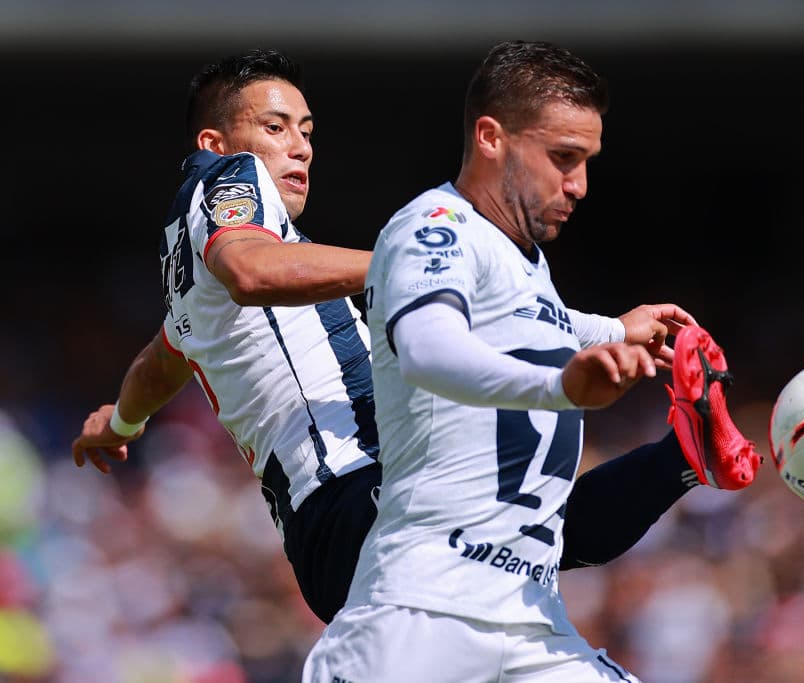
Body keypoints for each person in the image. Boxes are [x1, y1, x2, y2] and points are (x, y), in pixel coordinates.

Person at [70, 48, 759, 630]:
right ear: (215, 144)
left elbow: (161, 357)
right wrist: (413, 263)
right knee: (518, 500)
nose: (300, 146)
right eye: (275, 127)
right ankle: (680, 456)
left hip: (346, 524)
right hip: (354, 495)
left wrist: (120, 420)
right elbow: (251, 268)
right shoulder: (226, 181)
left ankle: (684, 456)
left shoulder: (193, 278)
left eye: (307, 130)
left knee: (535, 523)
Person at [302, 40, 761, 682]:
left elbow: (524, 319)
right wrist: (559, 385)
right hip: (418, 616)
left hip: (531, 621)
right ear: (491, 137)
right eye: (563, 159)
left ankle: (681, 460)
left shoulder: (522, 262)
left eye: (586, 162)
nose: (579, 185)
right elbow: (427, 348)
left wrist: (613, 329)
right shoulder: (433, 226)